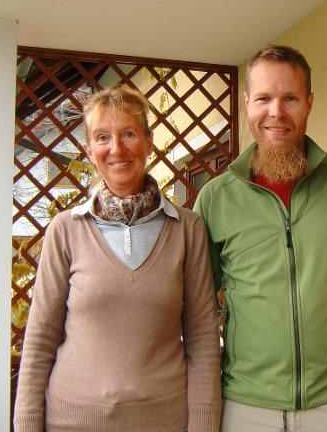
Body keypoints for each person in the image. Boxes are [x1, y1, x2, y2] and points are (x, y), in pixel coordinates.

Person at [193, 45, 327, 432]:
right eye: (264, 99)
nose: (277, 112)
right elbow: (198, 308)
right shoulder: (216, 198)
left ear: (309, 103)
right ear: (247, 103)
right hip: (243, 408)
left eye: (290, 98)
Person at [13, 87, 221, 432]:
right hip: (71, 422)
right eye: (102, 137)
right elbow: (39, 341)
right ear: (89, 150)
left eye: (129, 134)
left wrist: (204, 426)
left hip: (163, 422)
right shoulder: (66, 230)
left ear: (149, 142)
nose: (117, 149)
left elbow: (202, 341)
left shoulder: (187, 229)